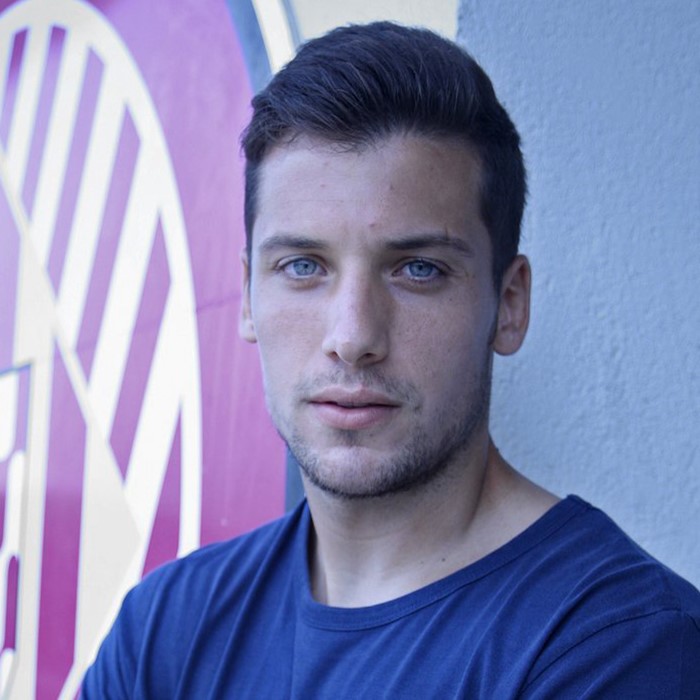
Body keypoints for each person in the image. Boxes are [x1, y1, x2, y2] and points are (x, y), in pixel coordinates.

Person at [82, 21, 700, 698]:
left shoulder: (619, 643)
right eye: (302, 266)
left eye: (418, 269)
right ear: (250, 297)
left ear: (509, 303)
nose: (352, 336)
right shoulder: (166, 629)